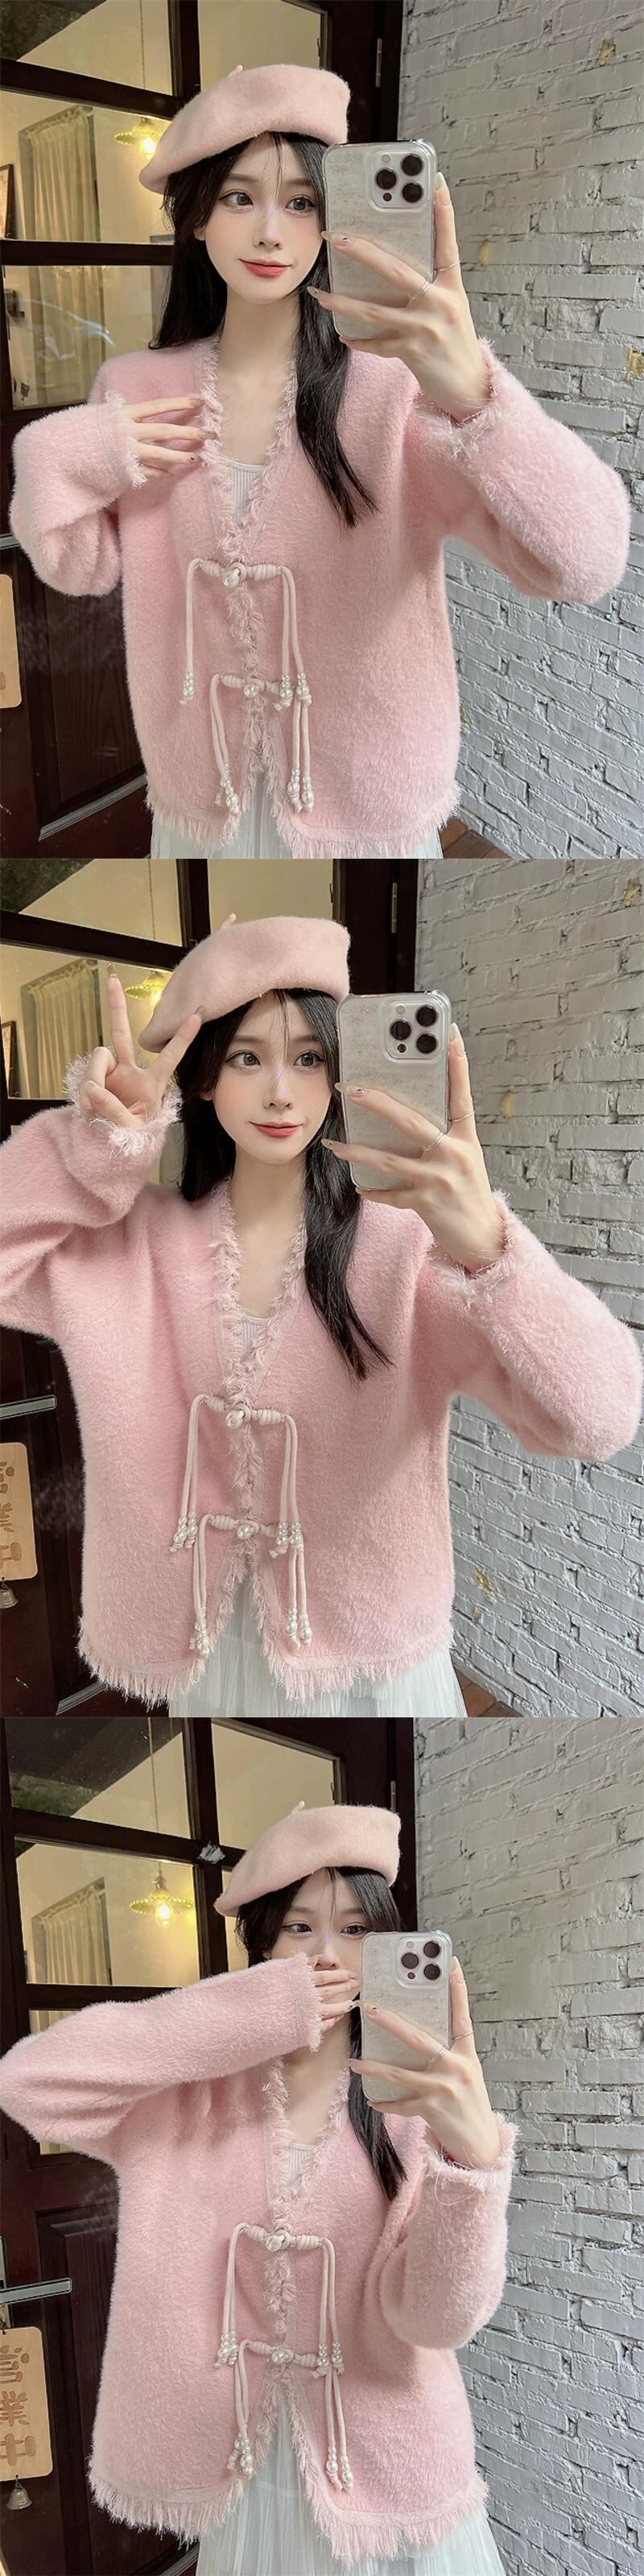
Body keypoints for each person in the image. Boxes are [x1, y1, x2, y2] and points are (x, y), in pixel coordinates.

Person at [0, 913, 640, 1720]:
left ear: (341, 1073)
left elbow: (596, 1420)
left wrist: (490, 1247)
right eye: (246, 1058)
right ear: (203, 1080)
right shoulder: (127, 1247)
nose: (280, 1091)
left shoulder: (410, 1248)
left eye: (309, 1059)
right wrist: (93, 1149)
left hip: (374, 1662)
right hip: (206, 1653)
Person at [8, 64, 630, 862]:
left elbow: (583, 563)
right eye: (239, 198)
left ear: (334, 222)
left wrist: (475, 397)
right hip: (201, 803)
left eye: (302, 203)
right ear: (196, 219)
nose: (271, 232)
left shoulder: (395, 391)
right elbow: (78, 566)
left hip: (370, 805)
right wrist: (59, 452)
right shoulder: (135, 388)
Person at [0, 1798, 516, 2574]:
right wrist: (246, 2014)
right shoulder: (185, 2100)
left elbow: (438, 2322)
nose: (328, 1955)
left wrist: (472, 2165)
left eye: (356, 1930)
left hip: (389, 2466)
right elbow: (29, 2081)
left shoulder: (418, 2105)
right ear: (263, 1945)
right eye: (300, 1928)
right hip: (247, 2473)